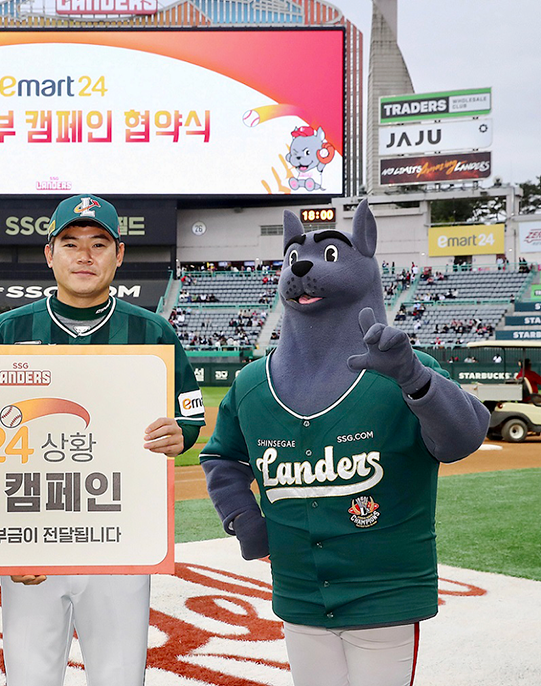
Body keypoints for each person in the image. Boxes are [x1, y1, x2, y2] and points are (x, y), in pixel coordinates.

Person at [201, 203, 488, 686]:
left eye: (330, 254)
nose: (302, 267)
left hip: (385, 597)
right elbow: (220, 456)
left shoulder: (404, 367)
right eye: (293, 257)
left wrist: (414, 378)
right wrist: (243, 518)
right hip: (299, 594)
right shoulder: (252, 382)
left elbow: (463, 438)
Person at [0, 194, 206, 686]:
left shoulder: (152, 331)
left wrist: (179, 433)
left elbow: (190, 415)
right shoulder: (7, 329)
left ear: (119, 254)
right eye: (71, 243)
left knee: (119, 675)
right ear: (49, 253)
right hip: (31, 535)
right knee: (29, 676)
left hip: (120, 531)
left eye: (99, 244)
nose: (85, 255)